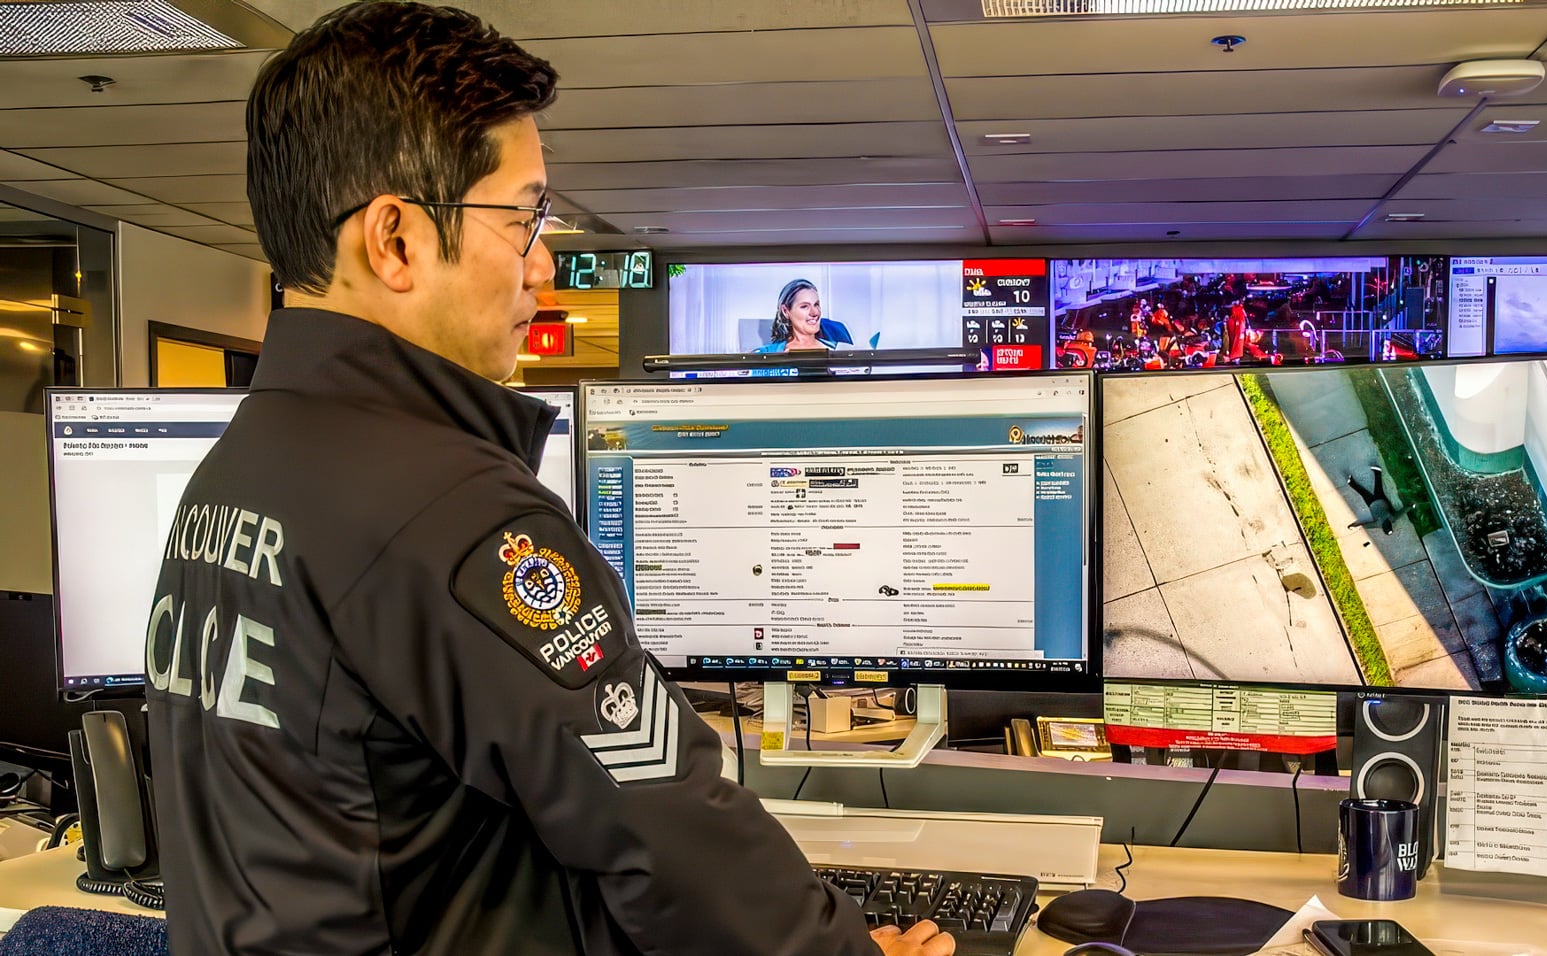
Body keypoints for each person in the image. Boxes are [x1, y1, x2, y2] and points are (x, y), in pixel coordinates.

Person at [141, 5, 952, 956]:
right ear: (394, 241)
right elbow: (665, 823)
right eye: (524, 217)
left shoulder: (235, 472)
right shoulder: (453, 513)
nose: (546, 260)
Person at [754, 278, 831, 352]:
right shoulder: (768, 354)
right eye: (804, 306)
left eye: (816, 304)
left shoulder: (838, 349)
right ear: (785, 311)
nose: (815, 312)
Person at [1346, 465, 1406, 535]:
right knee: (1374, 489)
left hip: (1373, 504)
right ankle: (1352, 482)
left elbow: (1367, 525)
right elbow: (1402, 512)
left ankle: (1353, 482)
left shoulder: (1381, 522)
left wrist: (1354, 526)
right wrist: (1410, 506)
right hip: (1380, 501)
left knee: (1365, 492)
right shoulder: (1391, 519)